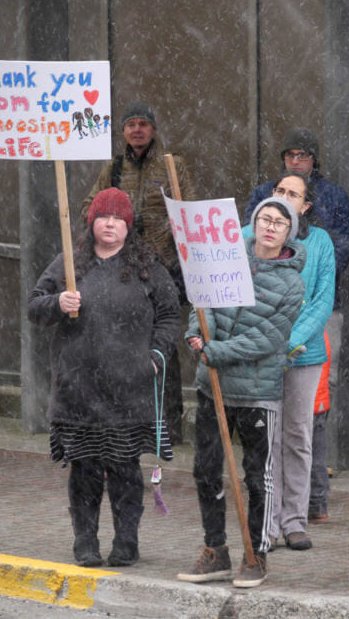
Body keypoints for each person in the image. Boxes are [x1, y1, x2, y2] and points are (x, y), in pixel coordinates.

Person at [27, 188, 180, 568]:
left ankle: (127, 541)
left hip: (129, 390)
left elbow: (170, 314)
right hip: (78, 390)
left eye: (117, 218)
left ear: (128, 226)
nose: (109, 224)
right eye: (102, 217)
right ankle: (85, 541)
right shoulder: (69, 262)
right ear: (91, 222)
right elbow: (34, 307)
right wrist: (57, 303)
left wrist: (157, 355)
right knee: (85, 469)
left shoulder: (148, 267)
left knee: (126, 468)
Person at [177, 197, 306, 588]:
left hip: (256, 393)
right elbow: (205, 304)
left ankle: (257, 554)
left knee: (257, 476)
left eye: (279, 223)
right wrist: (199, 335)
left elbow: (269, 338)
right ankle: (215, 548)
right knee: (206, 471)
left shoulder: (292, 283)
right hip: (211, 387)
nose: (270, 227)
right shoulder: (225, 260)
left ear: (289, 233)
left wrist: (215, 351)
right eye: (264, 219)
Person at [81, 101, 197, 446]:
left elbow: (189, 210)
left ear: (154, 129)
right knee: (122, 343)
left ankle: (169, 422)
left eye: (143, 123)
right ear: (122, 132)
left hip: (164, 269)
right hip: (123, 269)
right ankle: (127, 418)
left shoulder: (172, 165)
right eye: (130, 124)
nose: (136, 130)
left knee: (165, 347)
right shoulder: (113, 169)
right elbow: (89, 207)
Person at [244, 171, 335, 552]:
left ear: (305, 206)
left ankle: (295, 520)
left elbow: (322, 301)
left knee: (297, 436)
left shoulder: (321, 242)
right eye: (279, 190)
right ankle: (268, 519)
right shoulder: (250, 237)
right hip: (261, 351)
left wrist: (289, 341)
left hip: (303, 355)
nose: (283, 196)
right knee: (268, 439)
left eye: (292, 193)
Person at [244, 127, 349, 305]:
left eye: (302, 155)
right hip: (266, 295)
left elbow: (342, 248)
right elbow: (251, 240)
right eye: (289, 155)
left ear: (314, 159)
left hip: (318, 296)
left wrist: (311, 278)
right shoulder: (263, 193)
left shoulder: (335, 196)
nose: (295, 161)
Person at [308, 332, 332, 522]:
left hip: (310, 402)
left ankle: (316, 502)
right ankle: (318, 503)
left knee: (313, 457)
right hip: (319, 402)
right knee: (317, 456)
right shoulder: (319, 332)